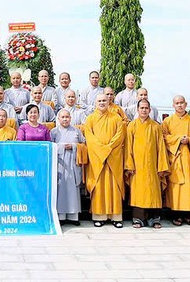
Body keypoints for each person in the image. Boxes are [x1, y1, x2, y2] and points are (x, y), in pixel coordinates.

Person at [124, 98, 169, 229]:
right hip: (137, 167)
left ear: (150, 110)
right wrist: (129, 165)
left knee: (153, 191)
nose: (144, 110)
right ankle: (138, 219)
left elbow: (161, 147)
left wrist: (162, 167)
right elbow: (128, 147)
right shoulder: (132, 126)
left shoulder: (156, 126)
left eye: (146, 108)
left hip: (153, 166)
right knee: (138, 192)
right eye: (141, 108)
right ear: (137, 110)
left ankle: (154, 219)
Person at [84, 95, 126, 228]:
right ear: (95, 103)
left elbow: (120, 136)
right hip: (97, 158)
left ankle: (116, 216)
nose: (102, 103)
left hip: (113, 157)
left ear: (109, 102)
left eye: (104, 101)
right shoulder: (90, 119)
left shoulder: (116, 118)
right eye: (99, 101)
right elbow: (89, 138)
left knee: (114, 186)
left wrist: (108, 149)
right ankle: (99, 216)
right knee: (99, 186)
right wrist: (102, 150)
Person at [162, 95, 190, 226]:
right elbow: (163, 137)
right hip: (174, 159)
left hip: (189, 160)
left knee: (189, 187)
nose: (179, 105)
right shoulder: (167, 121)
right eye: (177, 103)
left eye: (181, 103)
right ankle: (177, 216)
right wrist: (178, 140)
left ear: (186, 104)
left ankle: (189, 216)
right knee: (175, 187)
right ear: (173, 105)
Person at [52, 108, 84, 225]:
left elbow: (84, 145)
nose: (65, 119)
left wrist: (75, 147)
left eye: (67, 117)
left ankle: (73, 217)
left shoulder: (76, 131)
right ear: (58, 119)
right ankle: (61, 216)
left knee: (73, 189)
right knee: (60, 188)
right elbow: (51, 147)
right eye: (63, 117)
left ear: (71, 118)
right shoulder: (54, 132)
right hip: (60, 163)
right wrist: (61, 147)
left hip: (73, 163)